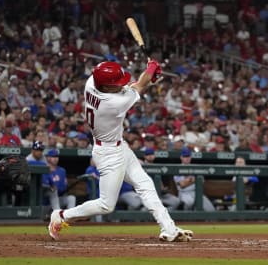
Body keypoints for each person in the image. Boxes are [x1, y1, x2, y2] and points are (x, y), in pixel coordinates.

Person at [48, 60, 193, 242]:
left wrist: (149, 78)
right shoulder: (112, 103)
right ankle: (62, 215)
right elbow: (138, 86)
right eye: (115, 84)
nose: (120, 85)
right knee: (106, 205)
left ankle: (169, 228)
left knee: (145, 184)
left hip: (118, 146)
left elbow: (134, 86)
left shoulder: (92, 82)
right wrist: (150, 69)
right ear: (106, 86)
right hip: (108, 154)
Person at [173, 147, 216, 211]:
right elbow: (182, 184)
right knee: (188, 204)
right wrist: (193, 179)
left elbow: (201, 180)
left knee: (211, 209)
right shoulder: (177, 168)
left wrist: (188, 180)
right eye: (185, 156)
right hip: (184, 193)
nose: (187, 158)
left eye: (188, 156)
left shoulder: (195, 167)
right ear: (181, 157)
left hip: (196, 192)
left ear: (190, 157)